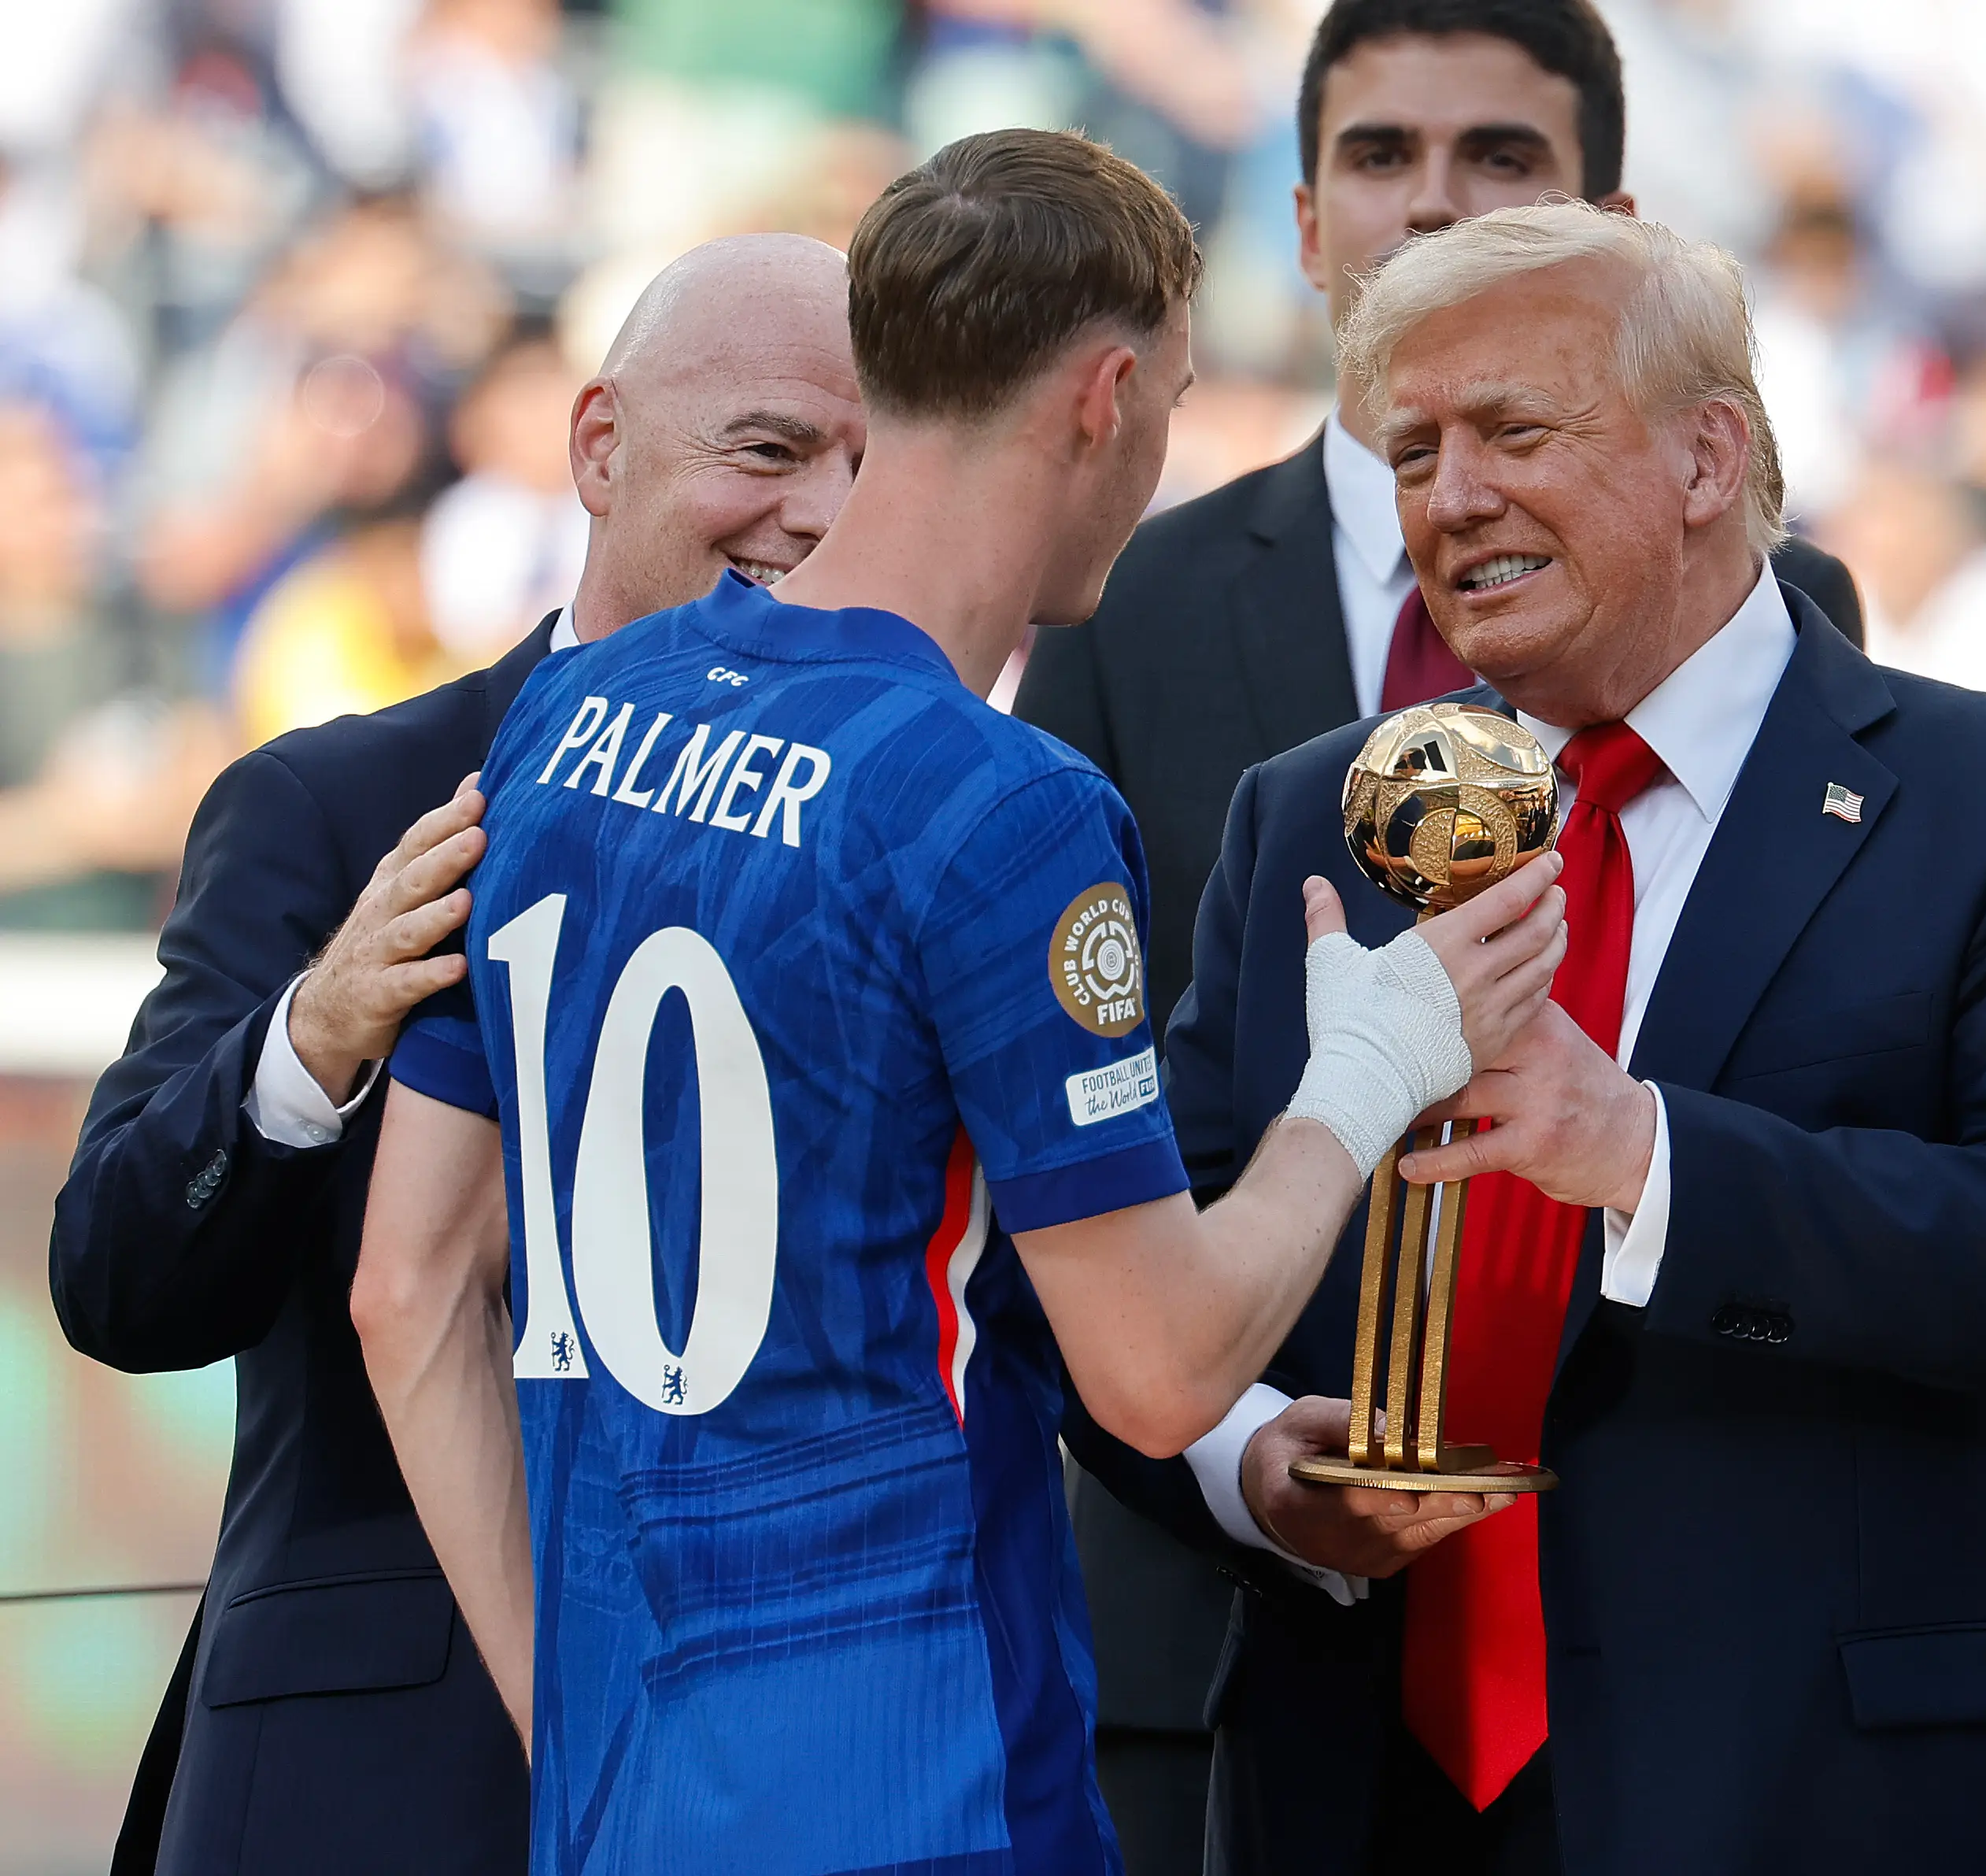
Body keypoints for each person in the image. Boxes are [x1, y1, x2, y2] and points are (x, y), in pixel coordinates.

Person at [349, 129, 1565, 1876]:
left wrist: (583, 1747)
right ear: (1107, 394)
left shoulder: (568, 719)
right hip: (912, 1784)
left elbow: (406, 1290)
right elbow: (1153, 1371)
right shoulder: (1002, 807)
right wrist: (1371, 1062)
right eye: (1173, 404)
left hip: (628, 1797)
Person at [1070, 198, 1986, 1876]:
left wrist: (1642, 1153)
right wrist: (1245, 1467)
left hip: (1821, 1800)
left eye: (1512, 432)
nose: (1446, 499)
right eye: (1413, 449)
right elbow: (1122, 1248)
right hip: (1362, 1789)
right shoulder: (1315, 816)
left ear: (1705, 456)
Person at [1011, 8, 1862, 1855]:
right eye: (1384, 161)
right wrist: (1234, 1455)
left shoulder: (1781, 611)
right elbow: (1082, 1108)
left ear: (1615, 225)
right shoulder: (1115, 593)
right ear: (1304, 217)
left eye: (1502, 162)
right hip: (1231, 1644)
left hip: (1673, 1643)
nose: (1432, 209)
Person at [47, 230, 866, 1876]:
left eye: (871, 466)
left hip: (796, 1763)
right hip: (380, 1775)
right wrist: (316, 1036)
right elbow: (120, 1278)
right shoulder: (334, 803)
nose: (820, 516)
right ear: (597, 444)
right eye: (769, 449)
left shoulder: (921, 836)